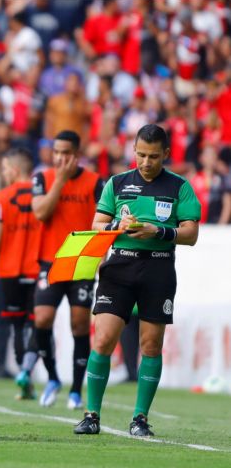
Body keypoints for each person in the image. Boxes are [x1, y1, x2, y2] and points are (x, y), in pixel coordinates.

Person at [74, 124, 200, 437]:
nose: (146, 162)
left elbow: (191, 233)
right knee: (102, 339)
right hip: (119, 267)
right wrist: (119, 224)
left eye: (153, 156)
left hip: (158, 269)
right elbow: (97, 225)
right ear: (134, 151)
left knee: (151, 344)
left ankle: (139, 418)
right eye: (141, 154)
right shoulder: (116, 183)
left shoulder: (179, 186)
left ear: (166, 154)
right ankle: (91, 415)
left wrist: (159, 231)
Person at [21, 130, 103, 410]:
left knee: (79, 324)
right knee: (42, 319)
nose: (60, 157)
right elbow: (41, 213)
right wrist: (60, 181)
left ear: (77, 155)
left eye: (66, 153)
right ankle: (53, 378)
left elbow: (101, 221)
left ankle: (76, 390)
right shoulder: (42, 178)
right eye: (56, 152)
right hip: (51, 260)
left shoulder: (94, 182)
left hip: (81, 261)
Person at [0, 148, 42, 400]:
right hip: (39, 270)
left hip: (9, 270)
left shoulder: (1, 197)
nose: (3, 174)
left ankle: (23, 375)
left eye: (5, 169)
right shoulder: (45, 197)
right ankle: (27, 370)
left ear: (14, 170)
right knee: (38, 324)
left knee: (16, 326)